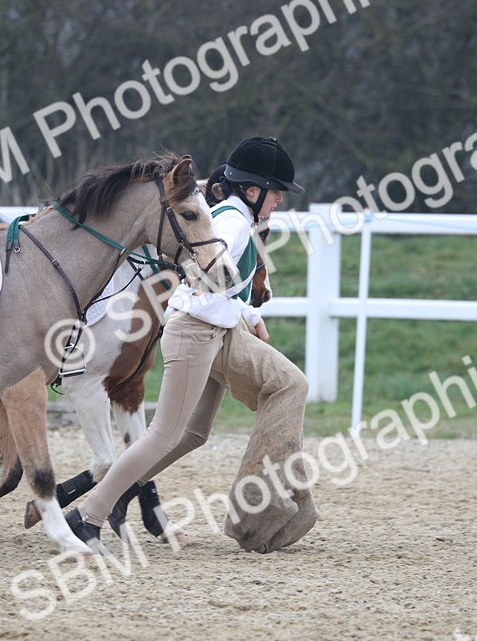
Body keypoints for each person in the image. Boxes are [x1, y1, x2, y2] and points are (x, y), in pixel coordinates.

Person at [66, 136, 317, 554]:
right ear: (251, 191)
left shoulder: (240, 219)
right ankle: (87, 516)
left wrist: (248, 315)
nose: (279, 200)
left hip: (217, 332)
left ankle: (121, 492)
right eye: (275, 192)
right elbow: (202, 278)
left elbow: (225, 285)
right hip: (197, 334)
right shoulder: (233, 222)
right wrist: (223, 304)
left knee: (193, 433)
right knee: (162, 435)